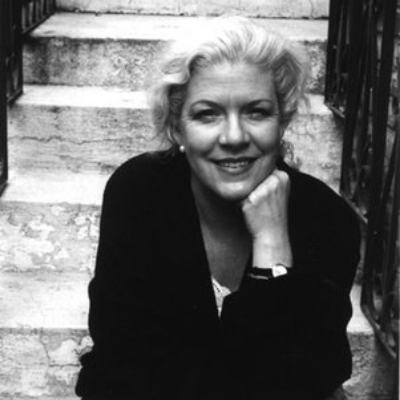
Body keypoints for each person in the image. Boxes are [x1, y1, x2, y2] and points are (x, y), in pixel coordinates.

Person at [75, 17, 360, 400]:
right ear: (177, 127)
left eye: (256, 111)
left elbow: (302, 380)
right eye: (207, 114)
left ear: (283, 121)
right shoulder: (140, 193)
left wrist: (272, 249)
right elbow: (124, 360)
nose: (234, 137)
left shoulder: (326, 219)